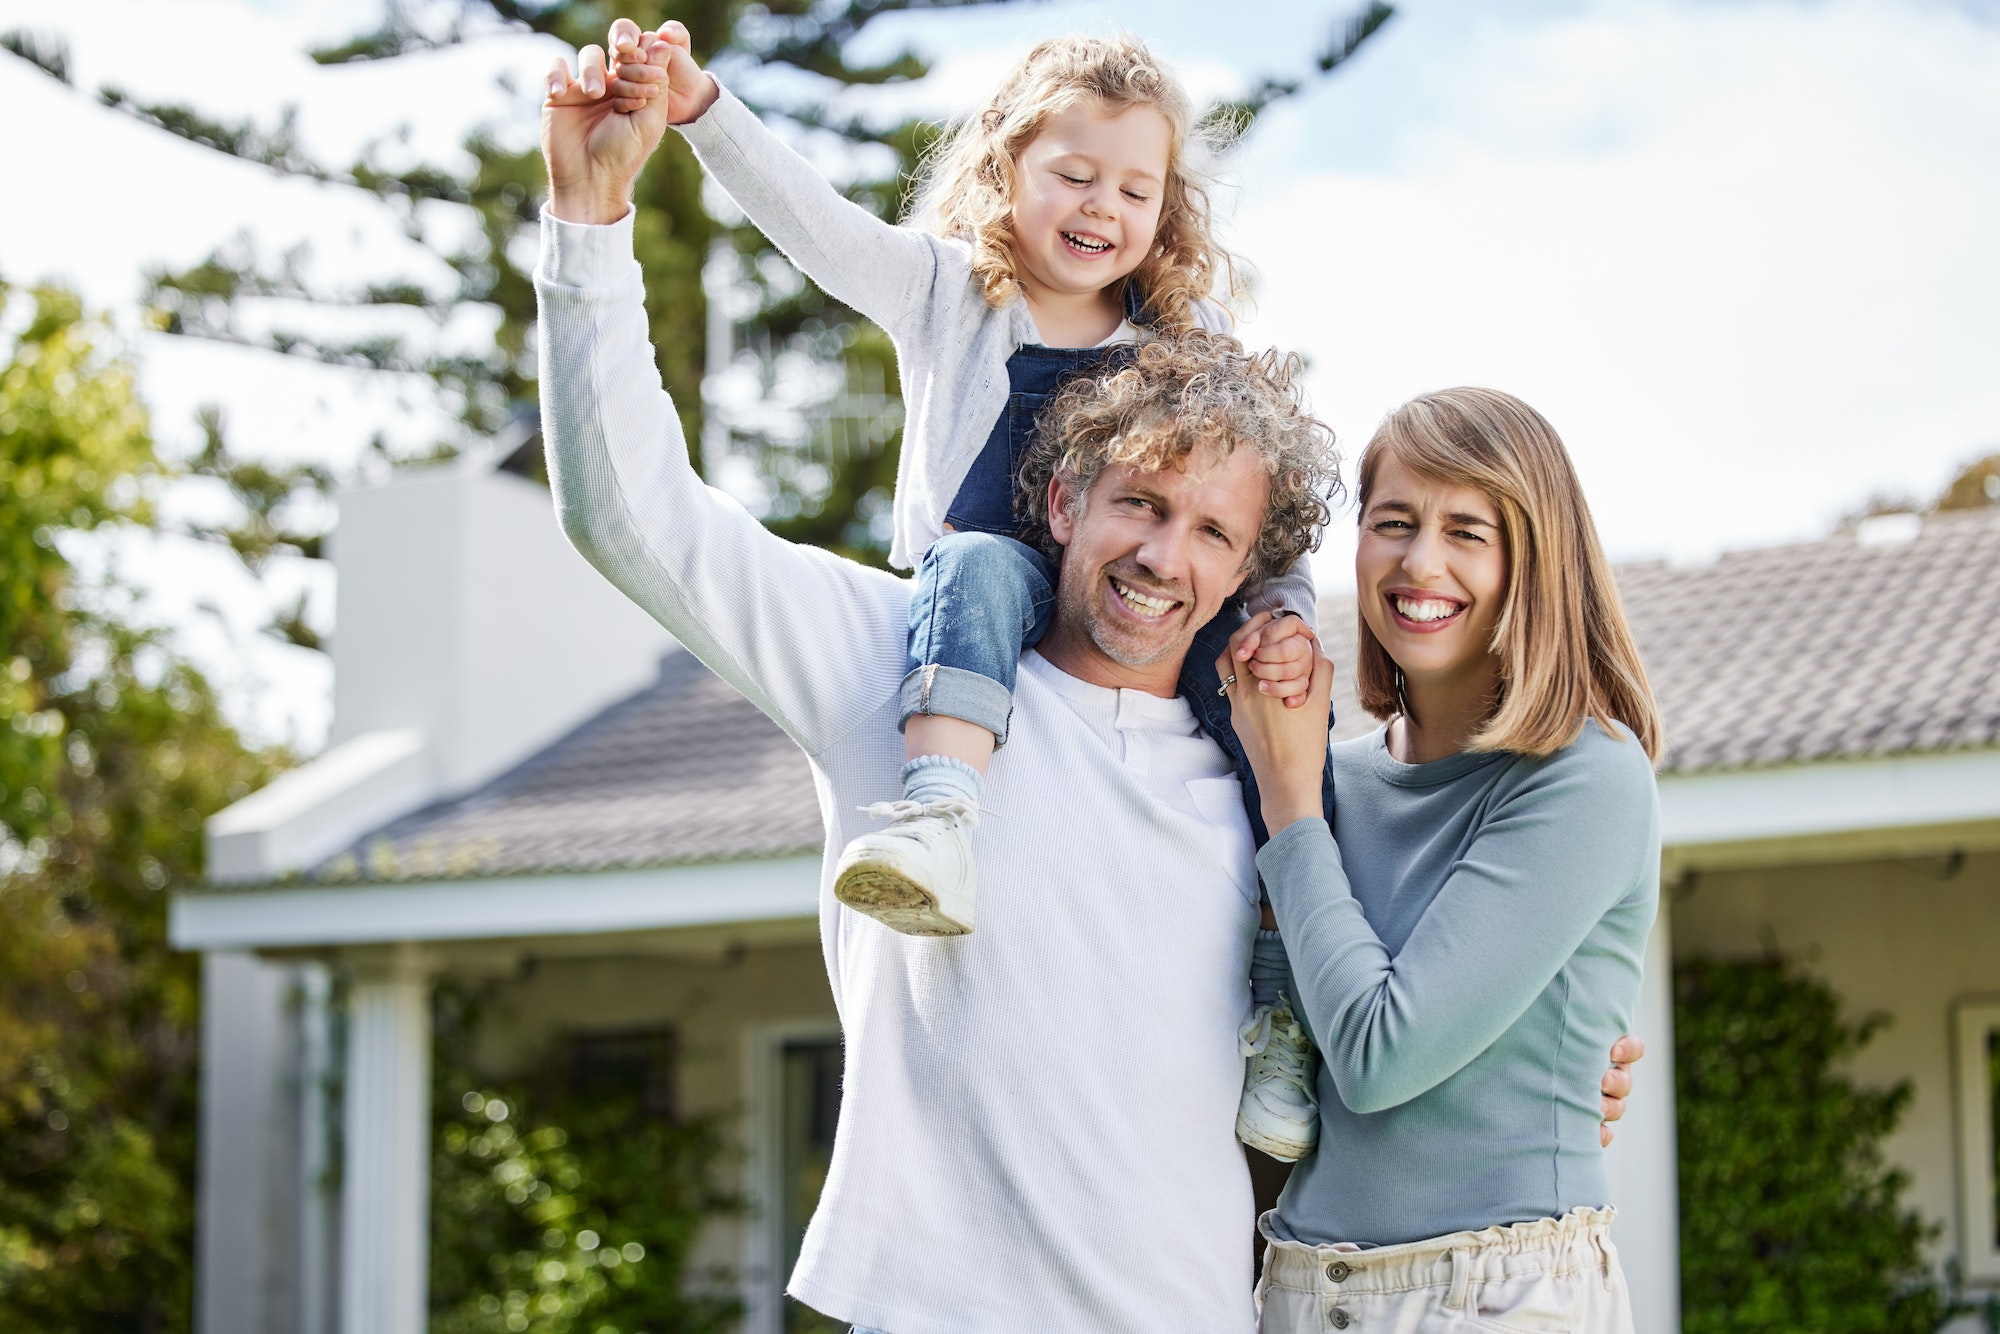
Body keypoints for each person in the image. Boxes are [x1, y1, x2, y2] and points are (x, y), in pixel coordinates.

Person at [536, 44, 1643, 1333]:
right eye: (1137, 503)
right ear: (1063, 498)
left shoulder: (1272, 783)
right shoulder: (890, 667)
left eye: (1211, 533)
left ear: (1249, 566)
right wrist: (587, 222)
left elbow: (1386, 1028)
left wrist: (1563, 1076)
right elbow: (629, 515)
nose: (1163, 557)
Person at [567, 18, 1333, 1163]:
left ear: (1165, 207)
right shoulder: (946, 290)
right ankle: (936, 819)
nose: (1100, 208)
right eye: (1072, 174)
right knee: (975, 563)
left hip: (1139, 614)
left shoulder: (1183, 338)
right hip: (988, 592)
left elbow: (1255, 493)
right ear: (1005, 167)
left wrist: (1286, 614)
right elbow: (814, 227)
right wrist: (701, 109)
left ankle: (1281, 1014)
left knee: (1273, 742)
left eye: (1134, 188)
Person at [1223, 388, 1663, 1332]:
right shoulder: (1320, 778)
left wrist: (1290, 810)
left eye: (1469, 530)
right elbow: (1268, 1076)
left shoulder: (1587, 777)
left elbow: (1382, 1057)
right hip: (1299, 1289)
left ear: (1532, 562)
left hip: (1492, 1296)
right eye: (1393, 522)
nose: (1421, 561)